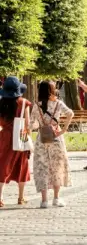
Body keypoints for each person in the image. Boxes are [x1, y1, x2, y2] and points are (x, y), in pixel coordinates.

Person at [31, 80, 74, 208]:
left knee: (42, 168)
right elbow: (70, 113)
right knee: (57, 167)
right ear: (51, 90)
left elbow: (32, 124)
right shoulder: (58, 103)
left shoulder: (36, 105)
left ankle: (44, 200)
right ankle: (56, 198)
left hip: (42, 139)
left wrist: (37, 124)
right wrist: (64, 129)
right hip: (56, 137)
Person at [0, 77, 32, 207]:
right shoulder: (24, 103)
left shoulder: (1, 104)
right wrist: (28, 140)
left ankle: (0, 197)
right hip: (21, 136)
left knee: (3, 165)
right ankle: (21, 197)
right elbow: (27, 124)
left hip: (5, 137)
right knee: (22, 167)